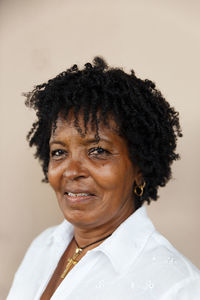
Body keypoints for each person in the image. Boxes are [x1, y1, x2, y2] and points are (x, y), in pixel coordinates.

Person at [7, 57, 200, 300]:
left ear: (139, 167)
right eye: (59, 152)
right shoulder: (43, 246)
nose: (71, 170)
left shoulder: (178, 287)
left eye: (98, 151)